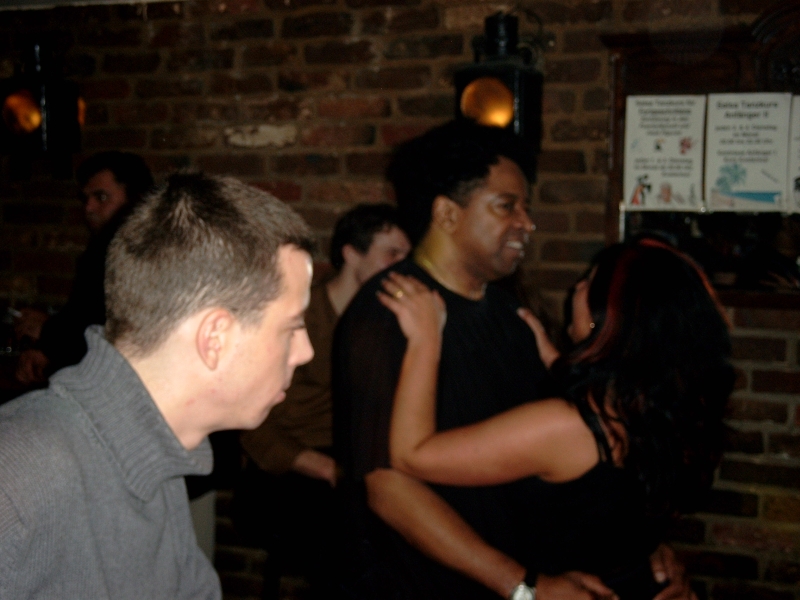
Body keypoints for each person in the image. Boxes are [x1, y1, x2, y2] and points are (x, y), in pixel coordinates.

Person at [332, 120, 694, 600]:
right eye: (507, 206)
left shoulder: (511, 314)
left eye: (527, 208)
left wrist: (639, 547)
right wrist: (522, 586)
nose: (527, 223)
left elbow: (580, 461)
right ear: (446, 213)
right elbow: (388, 488)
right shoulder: (391, 311)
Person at [0, 172, 315, 599]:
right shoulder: (17, 478)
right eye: (292, 327)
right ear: (215, 338)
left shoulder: (157, 451)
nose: (305, 351)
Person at [380, 239, 734, 600]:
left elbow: (413, 455)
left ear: (605, 319)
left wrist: (425, 339)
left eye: (589, 282)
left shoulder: (572, 428)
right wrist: (557, 359)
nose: (576, 287)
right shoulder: (664, 409)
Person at [235, 203, 410, 599]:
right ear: (351, 253)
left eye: (406, 255)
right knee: (348, 540)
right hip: (283, 470)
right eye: (392, 253)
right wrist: (324, 466)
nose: (402, 266)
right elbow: (251, 425)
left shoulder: (383, 322)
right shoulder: (298, 317)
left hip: (348, 462)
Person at [15, 151, 154, 384]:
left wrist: (48, 331)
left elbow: (110, 335)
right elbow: (85, 316)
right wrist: (47, 347)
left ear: (135, 199)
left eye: (101, 197)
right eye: (85, 199)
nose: (88, 208)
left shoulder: (134, 253)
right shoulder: (104, 245)